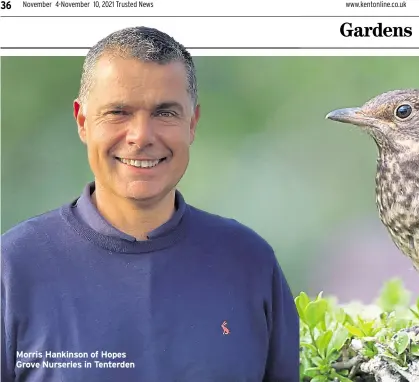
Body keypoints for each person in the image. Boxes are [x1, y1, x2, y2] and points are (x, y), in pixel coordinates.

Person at [1, 26, 300, 381]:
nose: (141, 136)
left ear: (193, 123)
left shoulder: (249, 261)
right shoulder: (15, 267)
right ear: (82, 121)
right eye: (118, 112)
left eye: (165, 113)